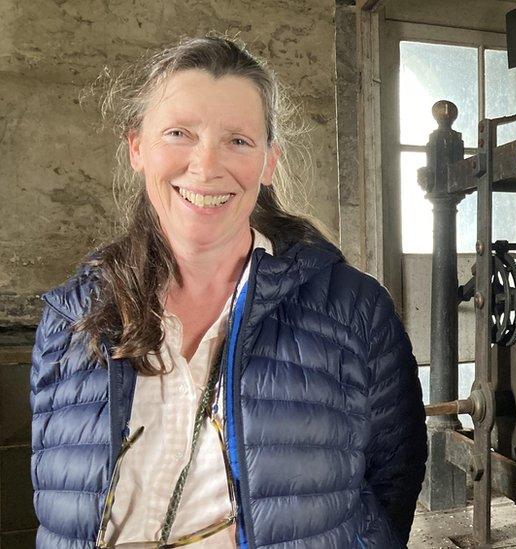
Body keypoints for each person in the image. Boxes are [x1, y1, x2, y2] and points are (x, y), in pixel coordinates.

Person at [28, 36, 427, 548]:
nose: (207, 165)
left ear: (268, 163)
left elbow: (393, 483)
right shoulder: (70, 319)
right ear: (137, 149)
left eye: (238, 140)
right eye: (179, 133)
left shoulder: (353, 311)